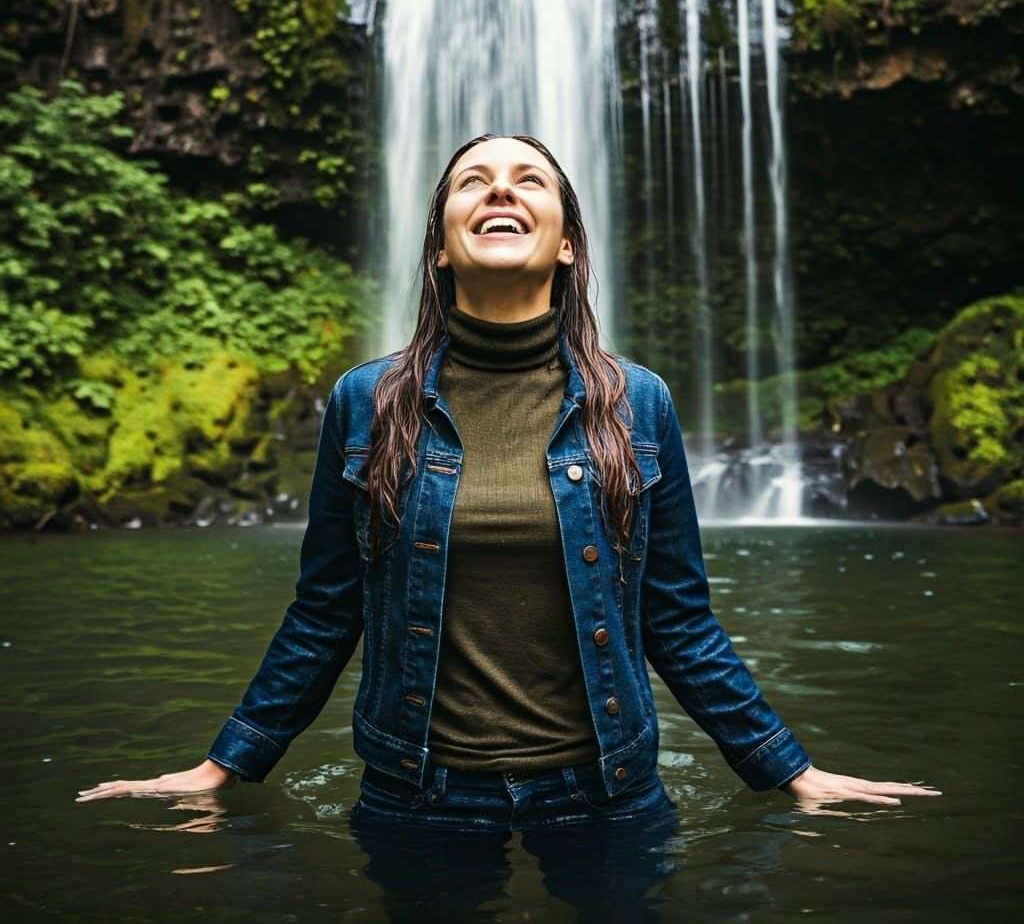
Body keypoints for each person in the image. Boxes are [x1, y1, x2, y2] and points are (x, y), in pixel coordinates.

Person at [78, 135, 940, 825]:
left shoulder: (639, 403)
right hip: (418, 795)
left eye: (528, 179)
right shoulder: (365, 402)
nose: (499, 190)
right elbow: (326, 608)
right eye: (472, 181)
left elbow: (675, 617)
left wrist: (787, 769)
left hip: (608, 793)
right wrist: (223, 764)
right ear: (440, 250)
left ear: (566, 244)